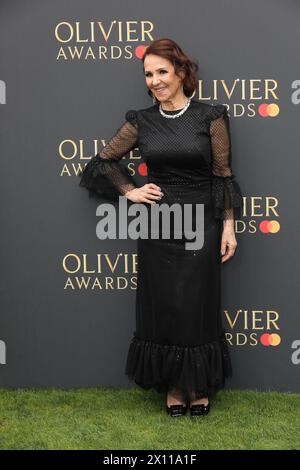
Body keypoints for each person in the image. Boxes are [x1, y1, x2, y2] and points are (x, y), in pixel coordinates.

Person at [78, 38, 243, 418]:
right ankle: (173, 385)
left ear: (182, 73)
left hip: (201, 222)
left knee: (196, 304)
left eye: (161, 72)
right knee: (165, 305)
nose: (154, 80)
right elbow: (102, 162)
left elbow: (222, 175)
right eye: (148, 74)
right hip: (158, 223)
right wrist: (131, 191)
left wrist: (229, 227)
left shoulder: (211, 116)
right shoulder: (142, 120)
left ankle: (197, 386)